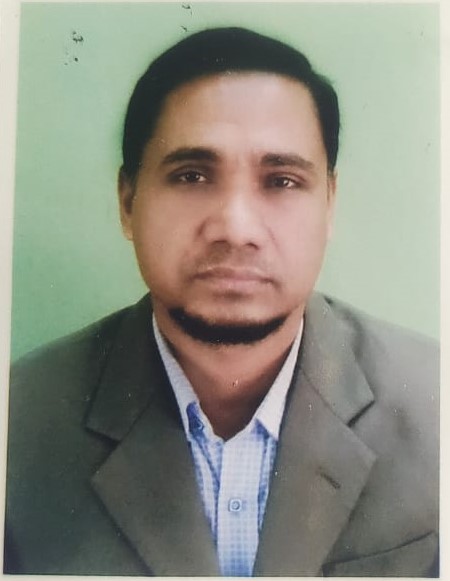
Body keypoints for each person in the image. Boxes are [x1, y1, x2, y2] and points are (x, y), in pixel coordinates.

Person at [4, 27, 438, 577]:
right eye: (191, 175)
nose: (236, 228)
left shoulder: (434, 406)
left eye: (281, 181)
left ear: (329, 203)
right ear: (128, 200)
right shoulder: (19, 421)